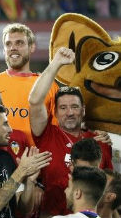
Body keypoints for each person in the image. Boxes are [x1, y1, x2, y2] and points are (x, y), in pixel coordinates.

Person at [29, 47, 113, 216]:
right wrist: (56, 63)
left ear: (83, 110)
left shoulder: (99, 140)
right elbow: (35, 100)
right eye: (63, 107)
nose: (69, 112)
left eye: (74, 107)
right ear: (55, 112)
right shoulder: (47, 134)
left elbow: (110, 186)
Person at [0, 23, 58, 145]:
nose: (13, 48)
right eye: (8, 44)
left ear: (32, 47)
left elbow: (57, 131)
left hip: (36, 160)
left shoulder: (49, 86)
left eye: (19, 43)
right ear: (4, 50)